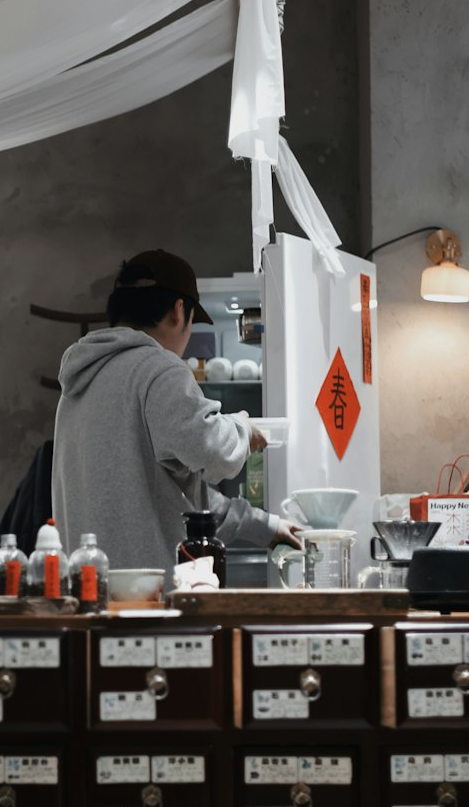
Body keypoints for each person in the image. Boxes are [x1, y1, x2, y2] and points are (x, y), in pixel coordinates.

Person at [51, 247, 301, 579]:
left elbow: (179, 494)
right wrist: (241, 426)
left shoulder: (80, 380)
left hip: (90, 594)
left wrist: (265, 526)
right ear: (179, 311)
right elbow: (214, 452)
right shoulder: (158, 368)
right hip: (150, 601)